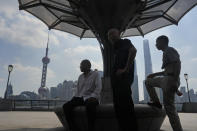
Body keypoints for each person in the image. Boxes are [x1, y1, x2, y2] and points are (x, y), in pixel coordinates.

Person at [145, 35, 183, 131]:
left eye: (157, 43)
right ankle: (156, 102)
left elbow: (177, 64)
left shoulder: (170, 50)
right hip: (166, 78)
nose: (156, 45)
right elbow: (167, 71)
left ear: (162, 42)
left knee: (169, 108)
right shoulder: (165, 52)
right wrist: (154, 74)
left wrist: (174, 81)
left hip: (170, 79)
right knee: (148, 82)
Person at [108, 28, 138, 131]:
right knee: (118, 107)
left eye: (113, 33)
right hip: (115, 81)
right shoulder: (114, 48)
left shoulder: (125, 42)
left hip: (123, 80)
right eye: (109, 35)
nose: (111, 36)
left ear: (119, 33)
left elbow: (133, 50)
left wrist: (126, 69)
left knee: (126, 106)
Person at [63, 59, 102, 131]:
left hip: (91, 98)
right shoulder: (80, 77)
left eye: (81, 65)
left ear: (88, 66)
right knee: (66, 106)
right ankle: (73, 128)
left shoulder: (95, 74)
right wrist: (74, 99)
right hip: (80, 98)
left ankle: (91, 128)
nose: (80, 67)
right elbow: (78, 91)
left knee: (91, 106)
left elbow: (98, 88)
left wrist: (93, 97)